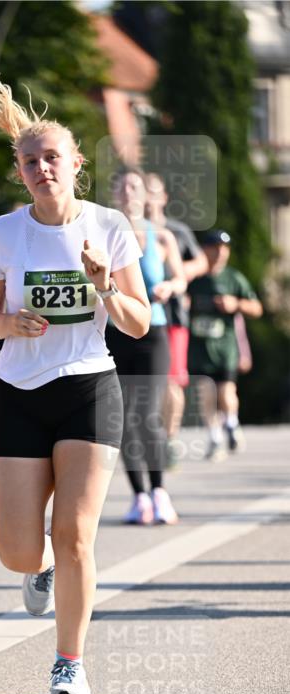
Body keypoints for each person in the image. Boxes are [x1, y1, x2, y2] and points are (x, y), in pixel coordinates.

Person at [0, 76, 151, 694]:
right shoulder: (5, 233)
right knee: (17, 550)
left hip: (87, 388)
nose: (41, 168)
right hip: (20, 390)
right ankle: (38, 569)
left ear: (76, 164)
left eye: (53, 158)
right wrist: (8, 323)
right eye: (30, 160)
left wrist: (104, 285)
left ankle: (68, 663)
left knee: (75, 533)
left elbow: (139, 321)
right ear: (19, 170)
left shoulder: (109, 227)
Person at [106, 169, 186, 525]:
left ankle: (159, 490)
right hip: (114, 333)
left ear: (145, 195)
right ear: (114, 196)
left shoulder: (161, 236)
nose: (128, 192)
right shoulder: (103, 236)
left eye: (134, 186)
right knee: (121, 419)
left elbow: (180, 276)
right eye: (121, 187)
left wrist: (170, 287)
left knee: (148, 414)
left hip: (152, 332)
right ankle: (139, 497)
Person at [144, 172, 208, 467]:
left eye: (153, 192)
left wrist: (173, 271)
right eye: (143, 191)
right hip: (136, 316)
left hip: (171, 316)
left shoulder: (175, 231)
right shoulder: (127, 230)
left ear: (164, 197)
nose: (148, 197)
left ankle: (168, 441)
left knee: (171, 382)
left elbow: (201, 262)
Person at [187, 229, 262, 460]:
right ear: (204, 250)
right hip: (198, 350)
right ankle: (215, 437)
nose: (219, 253)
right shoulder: (194, 278)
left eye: (224, 248)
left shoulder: (233, 278)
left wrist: (235, 303)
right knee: (205, 395)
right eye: (214, 248)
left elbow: (257, 308)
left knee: (226, 391)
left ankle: (231, 423)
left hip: (225, 349)